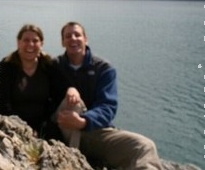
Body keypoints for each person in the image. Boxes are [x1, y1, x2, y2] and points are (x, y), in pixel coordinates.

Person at [55, 21, 164, 170]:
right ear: (62, 42)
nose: (73, 38)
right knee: (74, 103)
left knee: (144, 146)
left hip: (94, 132)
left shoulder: (103, 69)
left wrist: (83, 121)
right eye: (68, 36)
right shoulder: (54, 66)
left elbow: (108, 107)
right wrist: (71, 90)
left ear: (86, 39)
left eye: (77, 35)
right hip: (63, 129)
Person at [0, 24, 62, 138]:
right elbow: (0, 104)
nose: (30, 44)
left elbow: (58, 96)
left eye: (35, 40)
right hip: (11, 124)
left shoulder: (49, 66)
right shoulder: (5, 68)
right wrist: (22, 127)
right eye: (26, 40)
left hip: (44, 124)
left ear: (41, 44)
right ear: (18, 42)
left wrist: (43, 125)